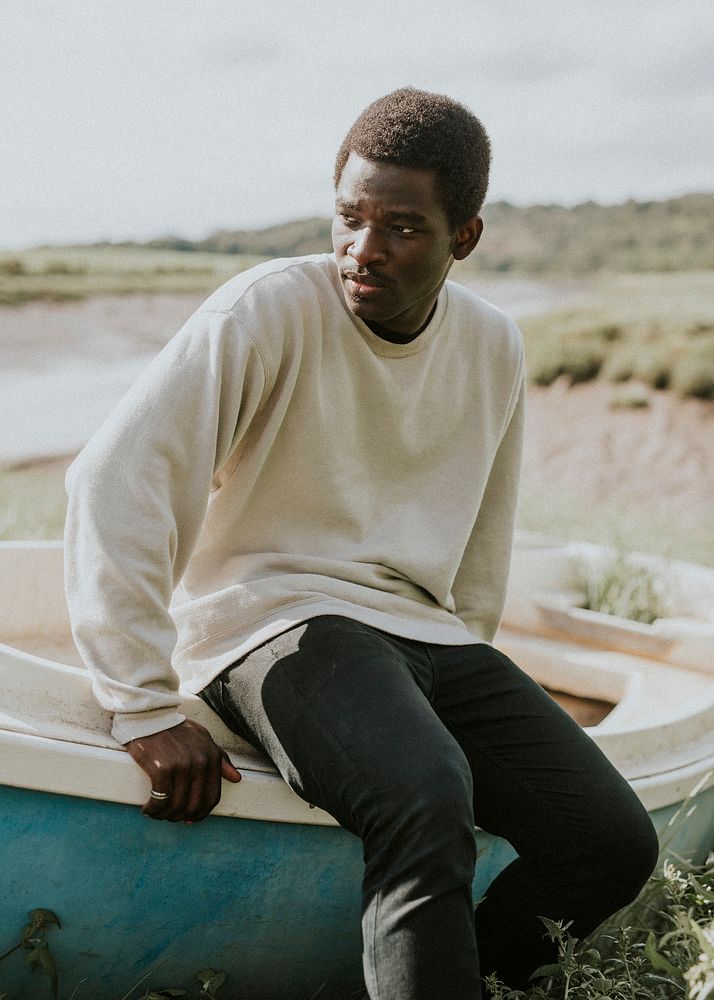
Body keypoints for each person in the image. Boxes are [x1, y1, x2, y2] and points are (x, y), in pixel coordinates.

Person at [64, 87, 659, 999]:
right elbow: (117, 482)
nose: (363, 250)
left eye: (404, 228)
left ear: (466, 236)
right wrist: (142, 705)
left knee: (611, 841)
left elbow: (481, 539)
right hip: (274, 617)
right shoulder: (265, 309)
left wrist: (461, 673)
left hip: (426, 635)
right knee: (426, 794)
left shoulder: (493, 343)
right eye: (349, 218)